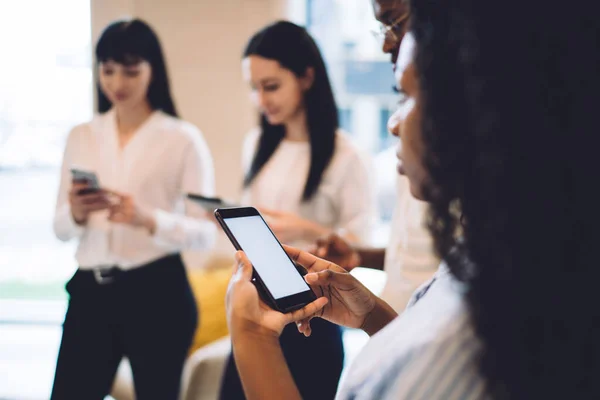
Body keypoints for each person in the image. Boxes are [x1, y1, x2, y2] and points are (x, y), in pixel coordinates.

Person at [224, 0, 600, 398]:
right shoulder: (483, 260)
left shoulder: (475, 330)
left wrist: (251, 337)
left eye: (403, 96)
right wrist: (372, 314)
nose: (392, 123)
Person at [51, 19, 216, 399]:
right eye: (108, 70)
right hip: (91, 292)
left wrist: (147, 219)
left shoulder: (182, 138)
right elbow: (59, 228)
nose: (118, 83)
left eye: (131, 70)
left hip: (157, 292)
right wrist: (76, 212)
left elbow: (205, 233)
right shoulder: (82, 135)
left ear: (152, 69)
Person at [219, 21, 376, 400]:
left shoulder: (346, 154)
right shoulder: (256, 143)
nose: (261, 99)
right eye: (254, 89)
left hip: (315, 315)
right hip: (258, 305)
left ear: (306, 77)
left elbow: (357, 249)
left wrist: (303, 228)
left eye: (271, 86)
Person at [314, 0, 438, 313]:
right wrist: (359, 256)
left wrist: (252, 335)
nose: (386, 44)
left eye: (394, 23)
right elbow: (417, 252)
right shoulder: (414, 150)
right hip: (398, 328)